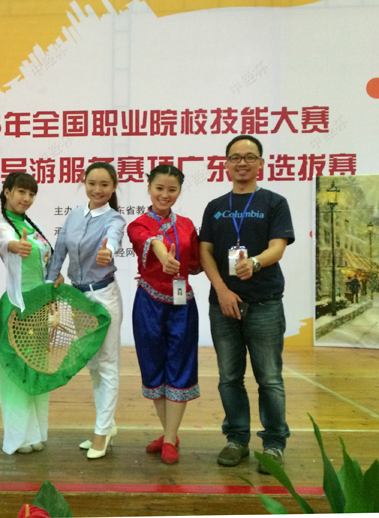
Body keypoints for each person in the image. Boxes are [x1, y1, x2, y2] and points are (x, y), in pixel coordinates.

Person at [199, 135, 295, 474]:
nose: (242, 163)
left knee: (269, 378)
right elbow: (205, 252)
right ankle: (237, 439)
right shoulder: (215, 206)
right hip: (223, 305)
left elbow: (278, 247)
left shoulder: (274, 202)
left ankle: (274, 444)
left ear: (261, 163)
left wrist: (255, 262)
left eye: (250, 157)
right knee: (229, 377)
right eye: (235, 157)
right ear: (225, 164)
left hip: (265, 303)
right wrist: (222, 290)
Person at [46, 162, 125, 459]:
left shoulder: (114, 218)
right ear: (84, 182)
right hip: (77, 298)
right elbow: (59, 251)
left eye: (104, 184)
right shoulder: (74, 215)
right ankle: (108, 424)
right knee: (92, 363)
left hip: (103, 295)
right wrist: (49, 282)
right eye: (92, 183)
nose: (97, 189)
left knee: (107, 363)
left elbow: (113, 238)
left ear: (113, 187)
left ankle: (101, 432)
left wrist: (109, 251)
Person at [127, 164, 201, 465]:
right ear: (149, 188)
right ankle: (170, 433)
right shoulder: (138, 225)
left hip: (183, 305)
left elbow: (196, 262)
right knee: (152, 366)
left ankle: (169, 438)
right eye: (159, 188)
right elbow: (151, 242)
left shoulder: (187, 225)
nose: (165, 195)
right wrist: (163, 256)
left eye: (172, 189)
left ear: (180, 191)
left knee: (180, 366)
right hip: (149, 303)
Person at [0, 172, 60, 454]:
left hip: (41, 305)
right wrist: (16, 246)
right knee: (17, 371)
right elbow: (7, 243)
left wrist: (55, 275)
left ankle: (36, 432)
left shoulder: (32, 225)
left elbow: (45, 259)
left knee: (37, 368)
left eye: (31, 194)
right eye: (21, 192)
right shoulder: (3, 226)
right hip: (18, 306)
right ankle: (19, 435)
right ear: (7, 192)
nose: (27, 198)